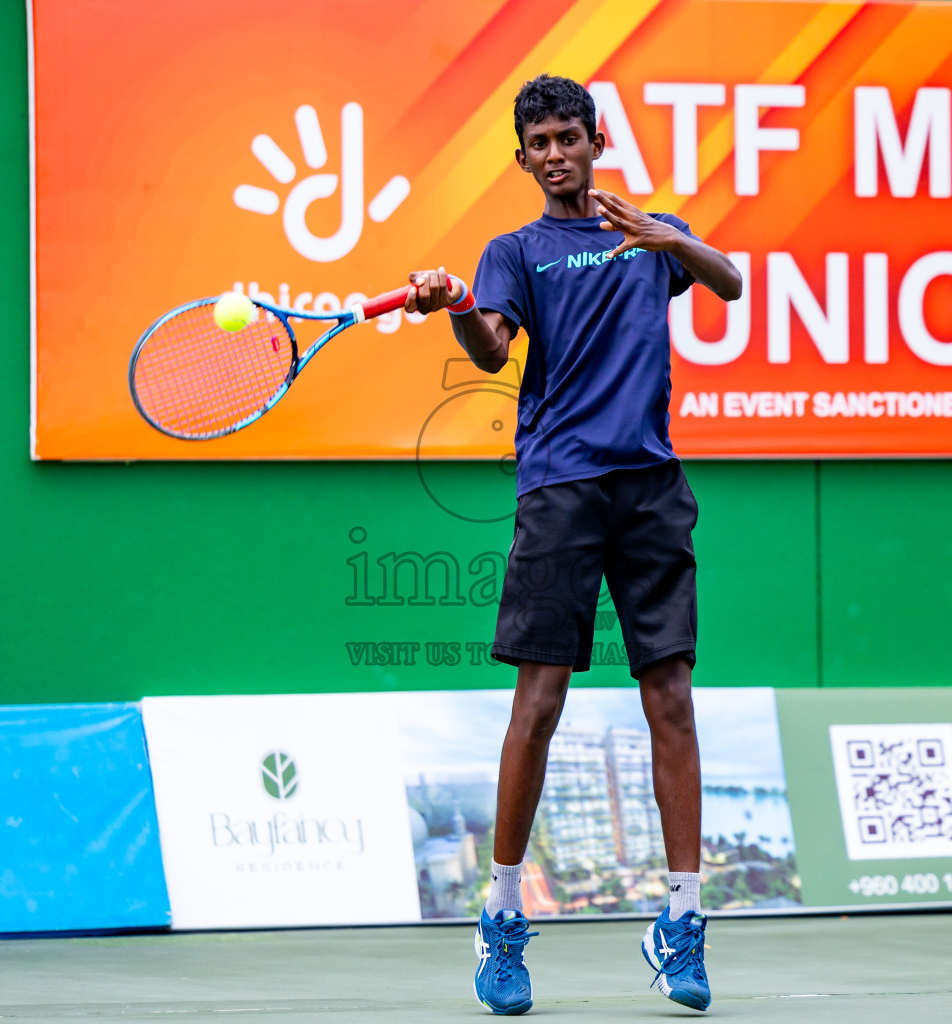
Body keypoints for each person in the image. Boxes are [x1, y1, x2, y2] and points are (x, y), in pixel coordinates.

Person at [404, 73, 742, 1015]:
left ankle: (681, 923)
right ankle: (501, 915)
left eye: (568, 136)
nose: (555, 153)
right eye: (539, 142)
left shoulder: (648, 232)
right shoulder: (515, 250)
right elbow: (489, 348)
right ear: (522, 159)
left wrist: (667, 237)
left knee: (670, 695)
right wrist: (455, 302)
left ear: (597, 140)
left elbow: (732, 282)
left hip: (651, 489)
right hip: (559, 490)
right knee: (541, 701)